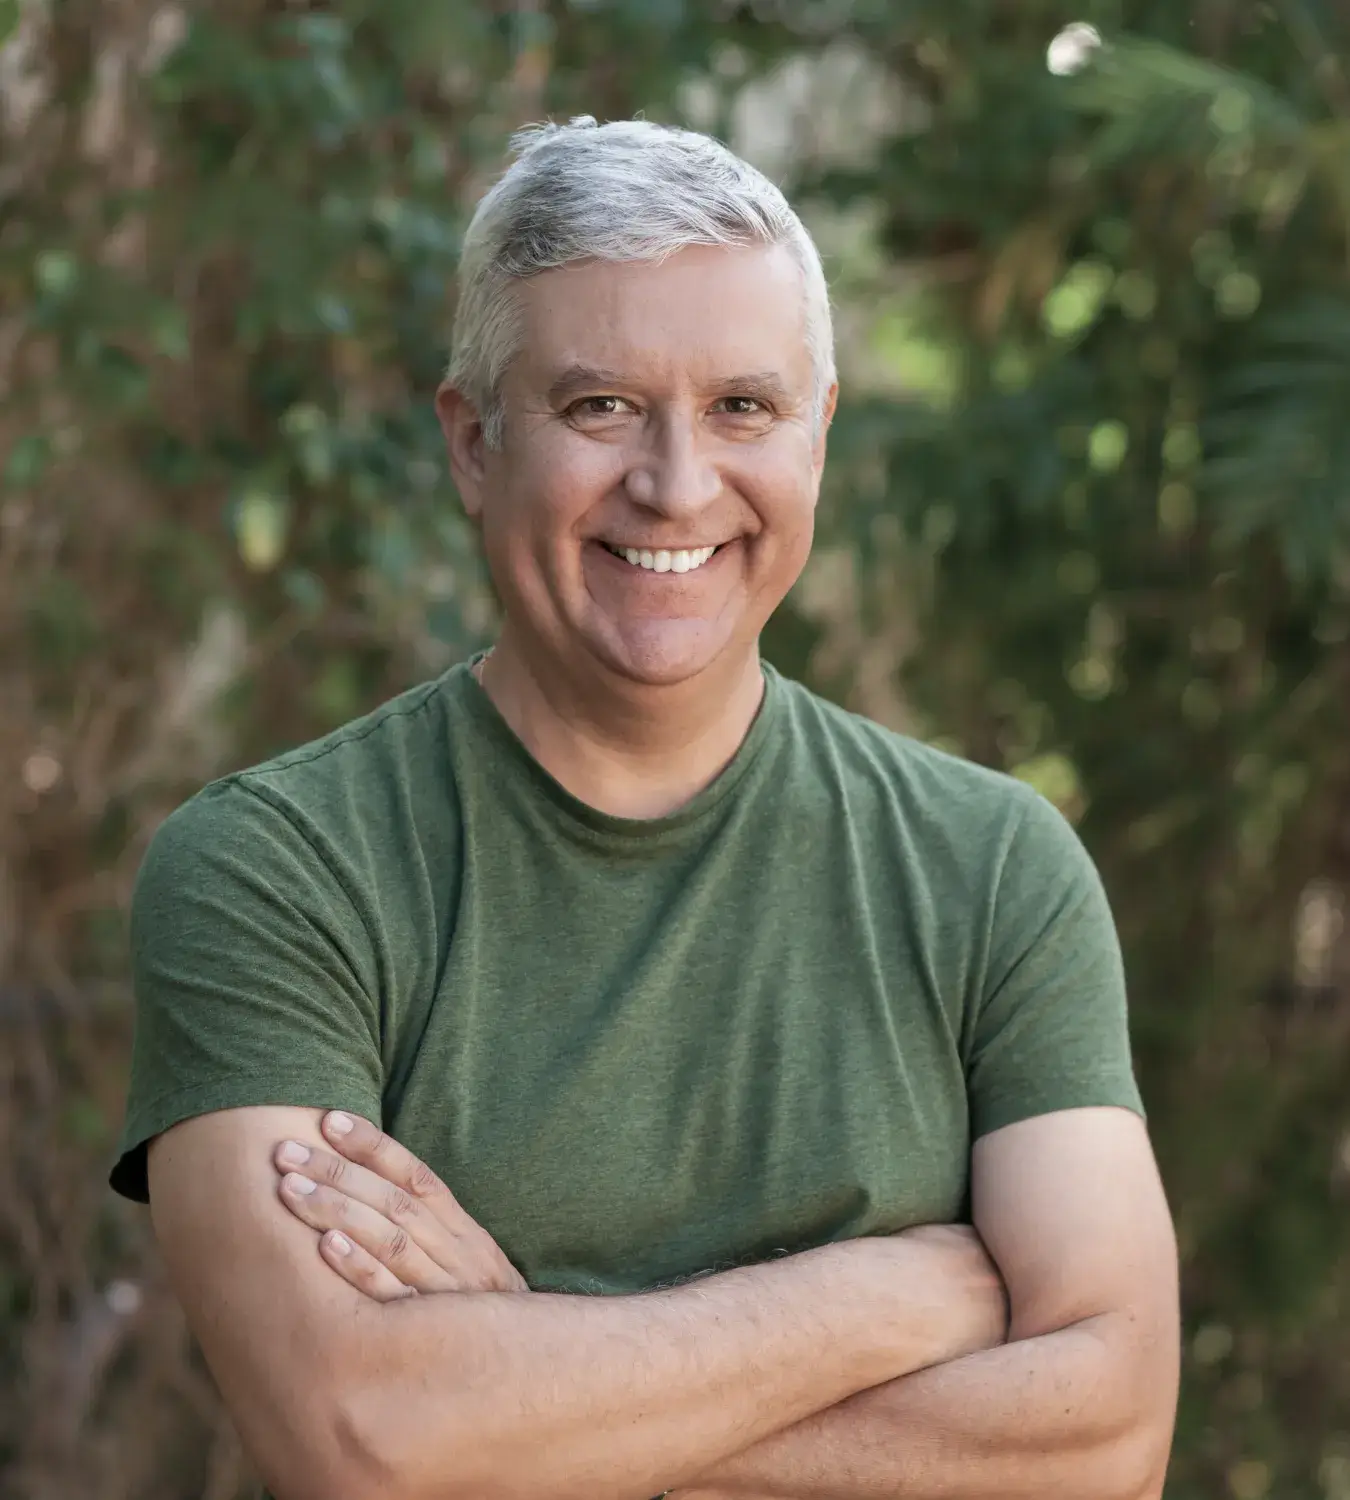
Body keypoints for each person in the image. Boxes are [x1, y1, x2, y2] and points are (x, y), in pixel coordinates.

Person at [110, 117, 1179, 1500]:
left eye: (744, 407)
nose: (677, 485)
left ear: (819, 434)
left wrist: (516, 1389)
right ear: (473, 442)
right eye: (600, 406)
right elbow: (362, 1442)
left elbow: (1105, 1439)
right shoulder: (281, 868)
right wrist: (899, 1300)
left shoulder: (989, 868)